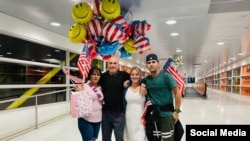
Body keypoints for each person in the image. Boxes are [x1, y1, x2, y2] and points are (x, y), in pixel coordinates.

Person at [141, 53, 182, 141]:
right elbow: (140, 81)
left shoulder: (166, 76)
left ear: (158, 63)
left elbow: (177, 93)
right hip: (154, 116)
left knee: (168, 139)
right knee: (155, 139)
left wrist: (177, 111)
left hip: (167, 116)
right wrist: (143, 84)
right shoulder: (147, 80)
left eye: (153, 62)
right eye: (149, 62)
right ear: (146, 65)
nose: (151, 64)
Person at [99, 56, 130, 141]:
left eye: (114, 63)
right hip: (105, 114)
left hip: (119, 114)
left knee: (119, 138)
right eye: (110, 63)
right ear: (107, 64)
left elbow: (137, 79)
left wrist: (142, 84)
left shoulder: (124, 75)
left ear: (118, 65)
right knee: (105, 138)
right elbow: (92, 83)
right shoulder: (103, 77)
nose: (112, 65)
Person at [74, 66, 104, 141]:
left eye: (98, 75)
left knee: (94, 139)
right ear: (89, 75)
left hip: (98, 119)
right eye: (94, 74)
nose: (96, 76)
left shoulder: (100, 87)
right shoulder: (84, 86)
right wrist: (77, 91)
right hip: (86, 119)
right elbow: (77, 100)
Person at [123, 67, 147, 141]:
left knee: (140, 137)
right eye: (132, 74)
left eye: (137, 74)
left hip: (141, 119)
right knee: (129, 137)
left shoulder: (144, 88)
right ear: (130, 76)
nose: (134, 76)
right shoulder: (126, 89)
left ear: (140, 76)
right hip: (128, 118)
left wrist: (143, 84)